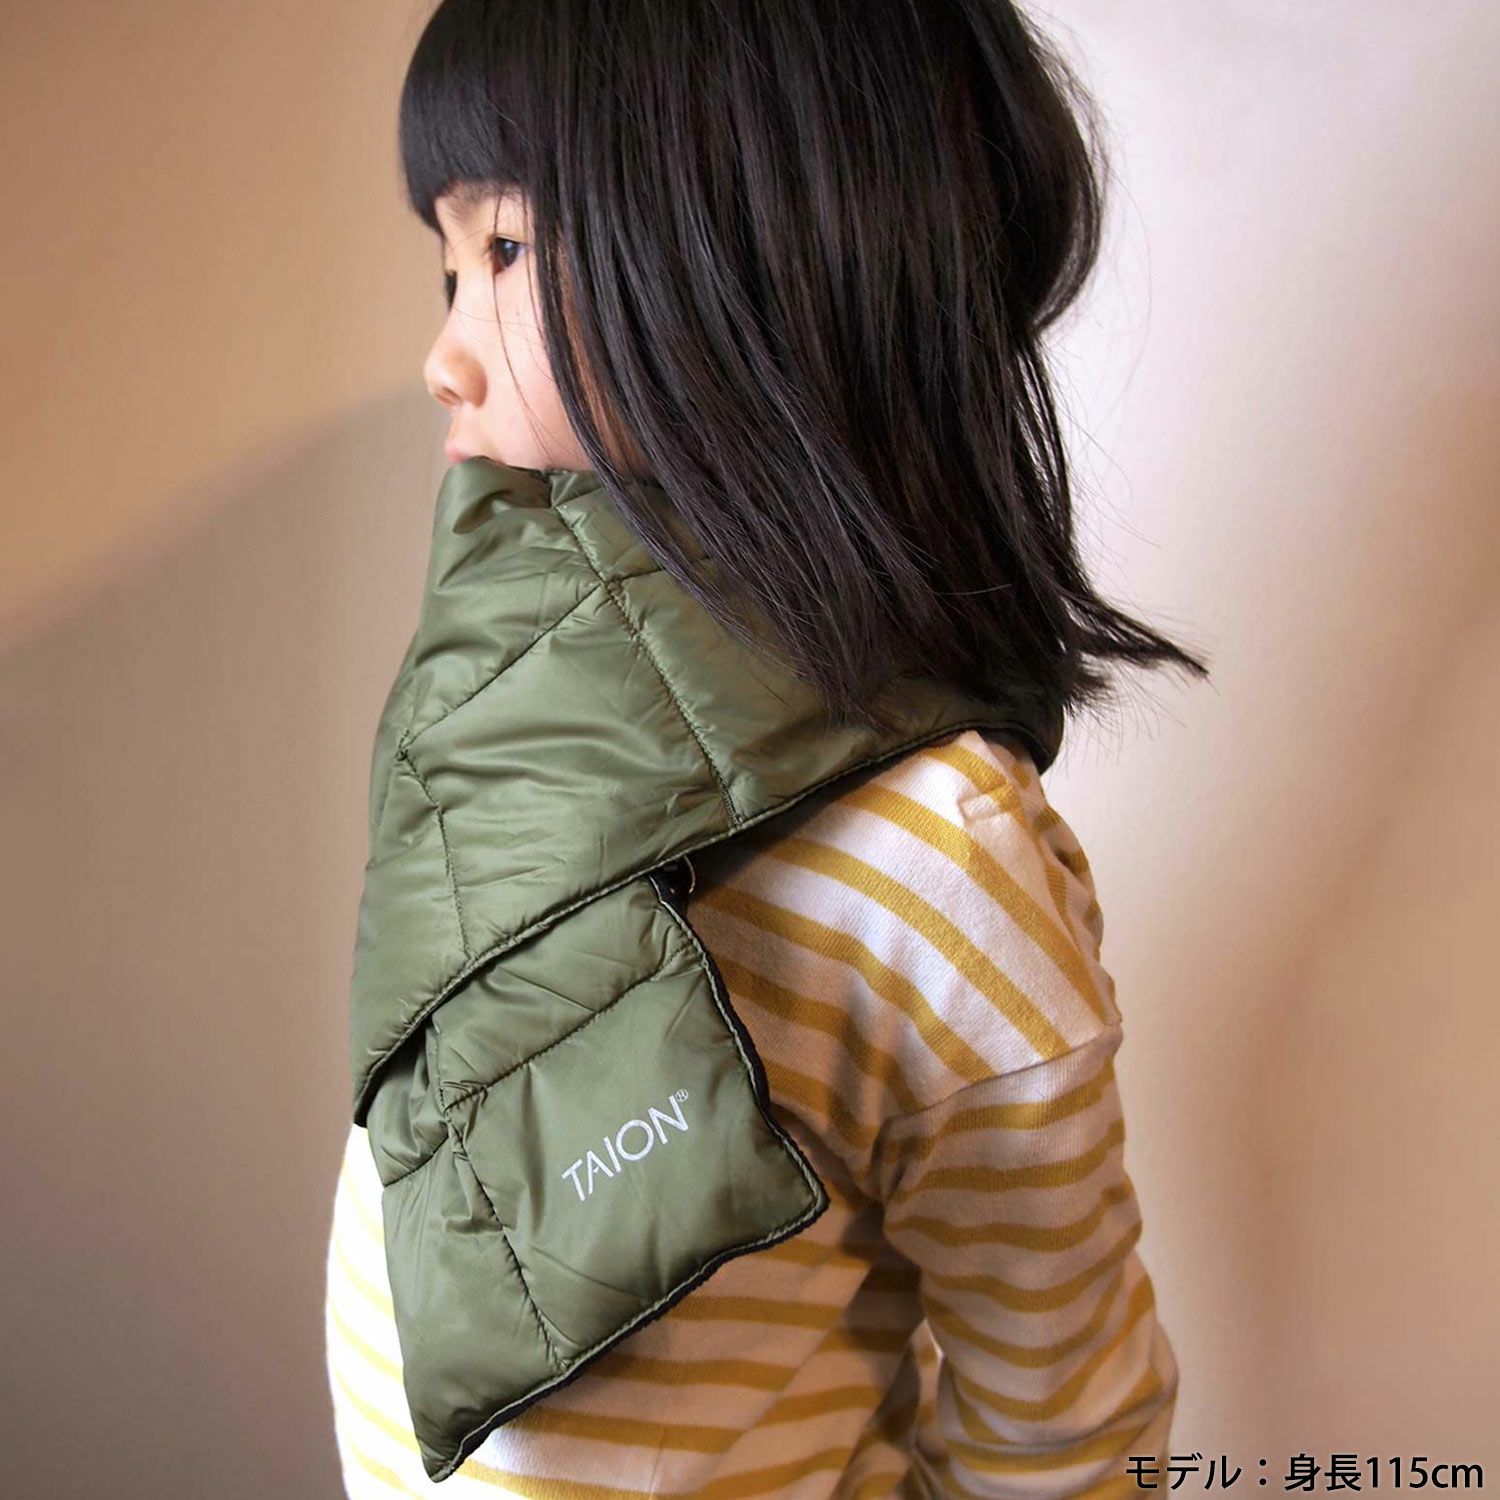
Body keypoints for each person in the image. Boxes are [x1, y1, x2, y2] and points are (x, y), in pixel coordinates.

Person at [324, 0, 1207, 1494]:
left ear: (761, 256)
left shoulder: (937, 847)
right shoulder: (501, 719)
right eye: (448, 265)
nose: (442, 356)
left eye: (509, 249)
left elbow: (1071, 1427)